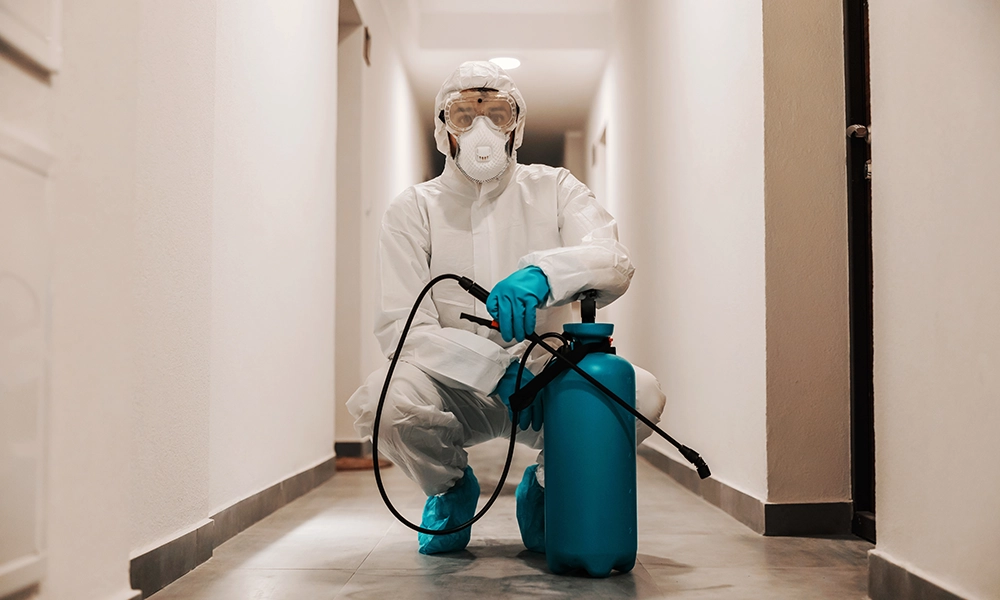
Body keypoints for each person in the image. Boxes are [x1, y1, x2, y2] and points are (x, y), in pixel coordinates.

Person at [347, 61, 665, 555]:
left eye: (497, 114)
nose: (482, 131)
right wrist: (490, 368)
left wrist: (544, 275)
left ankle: (549, 486)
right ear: (443, 129)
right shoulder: (413, 208)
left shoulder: (555, 188)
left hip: (543, 376)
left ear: (516, 125)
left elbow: (613, 259)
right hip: (452, 383)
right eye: (464, 115)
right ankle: (451, 490)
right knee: (383, 403)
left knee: (640, 394)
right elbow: (401, 327)